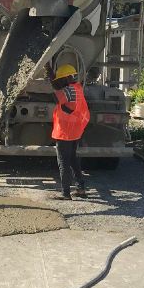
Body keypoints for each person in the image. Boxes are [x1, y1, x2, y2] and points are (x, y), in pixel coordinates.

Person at [46, 63, 91, 200]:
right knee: (73, 159)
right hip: (75, 131)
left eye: (61, 79)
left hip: (64, 132)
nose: (59, 81)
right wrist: (50, 72)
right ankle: (81, 188)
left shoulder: (66, 91)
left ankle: (65, 193)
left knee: (63, 162)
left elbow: (53, 96)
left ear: (65, 79)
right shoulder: (76, 88)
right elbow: (58, 86)